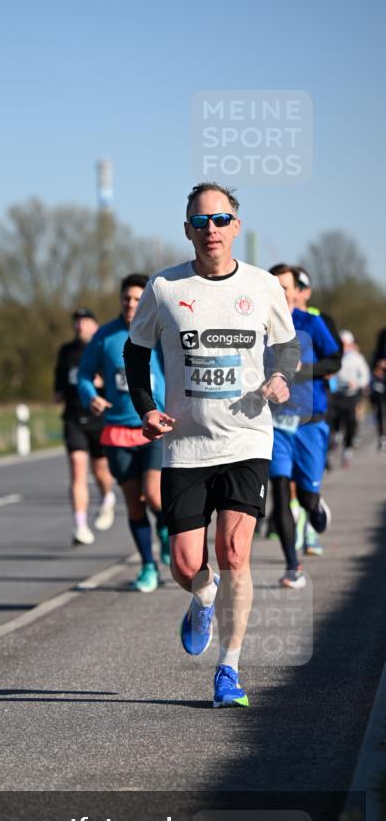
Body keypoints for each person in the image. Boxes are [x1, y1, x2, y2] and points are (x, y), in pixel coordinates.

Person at [125, 183, 299, 707]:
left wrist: (280, 378)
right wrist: (147, 409)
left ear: (235, 227)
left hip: (248, 437)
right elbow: (136, 355)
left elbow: (287, 348)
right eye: (200, 222)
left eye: (220, 220)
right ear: (187, 230)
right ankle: (202, 598)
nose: (211, 230)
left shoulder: (264, 286)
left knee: (234, 551)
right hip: (186, 444)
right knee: (185, 563)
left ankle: (229, 669)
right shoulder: (164, 288)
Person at [78, 275, 168, 592]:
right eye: (126, 298)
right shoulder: (104, 336)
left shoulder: (160, 331)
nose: (131, 304)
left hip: (155, 427)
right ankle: (148, 566)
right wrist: (90, 395)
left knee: (154, 493)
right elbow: (84, 375)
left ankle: (167, 531)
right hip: (118, 428)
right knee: (133, 503)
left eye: (137, 299)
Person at [267, 265, 341, 588]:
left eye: (286, 288)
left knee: (307, 496)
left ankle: (314, 502)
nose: (281, 294)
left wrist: (302, 369)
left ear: (297, 291)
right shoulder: (261, 323)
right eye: (276, 287)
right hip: (276, 423)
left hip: (310, 423)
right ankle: (292, 566)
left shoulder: (312, 324)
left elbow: (335, 360)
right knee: (280, 492)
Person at [290, 265, 342, 554]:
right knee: (284, 478)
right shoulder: (269, 319)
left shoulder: (320, 320)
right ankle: (293, 538)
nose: (293, 292)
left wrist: (303, 369)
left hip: (316, 408)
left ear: (306, 291)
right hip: (279, 412)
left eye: (298, 287)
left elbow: (334, 363)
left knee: (306, 481)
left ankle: (310, 525)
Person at [54, 307, 116, 545]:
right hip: (73, 418)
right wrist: (58, 392)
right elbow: (60, 378)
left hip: (99, 419)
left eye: (85, 321)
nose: (79, 325)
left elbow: (118, 378)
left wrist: (104, 382)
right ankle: (80, 525)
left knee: (100, 470)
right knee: (77, 469)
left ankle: (108, 497)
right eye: (77, 322)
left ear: (95, 325)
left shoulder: (103, 347)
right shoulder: (66, 351)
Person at [328, 330, 371, 466]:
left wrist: (357, 383)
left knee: (351, 422)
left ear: (351, 344)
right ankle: (336, 438)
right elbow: (329, 374)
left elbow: (365, 376)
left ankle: (347, 449)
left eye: (346, 344)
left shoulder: (357, 358)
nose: (344, 347)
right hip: (336, 394)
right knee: (334, 419)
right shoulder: (333, 356)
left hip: (351, 395)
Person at [370, 327, 386, 450]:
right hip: (381, 379)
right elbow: (377, 356)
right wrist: (377, 366)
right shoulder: (382, 333)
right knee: (379, 406)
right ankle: (382, 436)